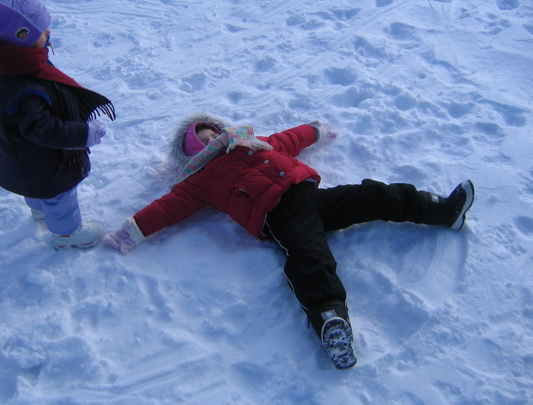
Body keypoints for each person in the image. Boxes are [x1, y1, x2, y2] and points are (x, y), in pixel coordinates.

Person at [103, 113, 475, 369]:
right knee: (309, 255)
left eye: (212, 132)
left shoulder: (253, 143)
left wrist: (314, 130)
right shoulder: (200, 179)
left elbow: (288, 140)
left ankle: (442, 210)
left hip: (311, 195)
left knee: (372, 195)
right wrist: (132, 230)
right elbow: (172, 206)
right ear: (192, 155)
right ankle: (330, 320)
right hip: (277, 214)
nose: (212, 140)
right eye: (201, 141)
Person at [0, 0, 115, 250]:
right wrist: (83, 134)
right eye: (41, 31)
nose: (48, 34)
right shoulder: (25, 84)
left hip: (15, 155)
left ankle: (39, 210)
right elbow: (41, 129)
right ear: (20, 37)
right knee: (60, 194)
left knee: (36, 189)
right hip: (43, 163)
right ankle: (67, 234)